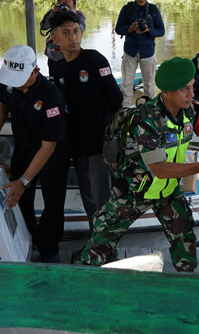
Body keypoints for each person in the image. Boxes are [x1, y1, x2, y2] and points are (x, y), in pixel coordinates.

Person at [78, 57, 199, 270]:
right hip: (137, 190)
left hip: (169, 190)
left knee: (185, 244)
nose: (192, 95)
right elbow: (160, 169)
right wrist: (198, 167)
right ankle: (85, 280)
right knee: (101, 235)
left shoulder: (193, 110)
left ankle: (187, 286)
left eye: (192, 87)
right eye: (184, 90)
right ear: (165, 92)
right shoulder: (146, 120)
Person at [0, 45, 69, 263]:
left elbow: (48, 147)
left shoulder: (52, 98)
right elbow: (1, 105)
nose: (14, 84)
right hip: (23, 149)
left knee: (53, 203)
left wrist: (23, 181)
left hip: (51, 155)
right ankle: (28, 239)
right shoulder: (10, 83)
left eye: (19, 79)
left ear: (35, 71)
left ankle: (49, 249)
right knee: (19, 200)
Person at [50, 11, 123, 232]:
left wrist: (115, 141)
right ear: (55, 38)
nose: (73, 37)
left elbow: (116, 100)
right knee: (89, 200)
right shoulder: (58, 68)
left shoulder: (94, 59)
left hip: (99, 145)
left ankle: (107, 252)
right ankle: (97, 245)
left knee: (102, 201)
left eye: (76, 31)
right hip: (77, 146)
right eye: (66, 33)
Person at [115, 0, 165, 107]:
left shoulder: (153, 10)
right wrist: (130, 28)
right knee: (126, 85)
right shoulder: (126, 9)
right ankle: (124, 113)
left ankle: (149, 112)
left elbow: (161, 31)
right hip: (130, 52)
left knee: (149, 86)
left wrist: (148, 30)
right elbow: (118, 29)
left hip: (147, 52)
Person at [39, 0, 86, 77]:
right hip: (54, 57)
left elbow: (80, 30)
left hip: (71, 56)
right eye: (62, 0)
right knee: (54, 80)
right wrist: (53, 13)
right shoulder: (53, 13)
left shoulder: (79, 15)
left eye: (68, 0)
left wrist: (70, 15)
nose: (65, 2)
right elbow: (44, 26)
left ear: (73, 2)